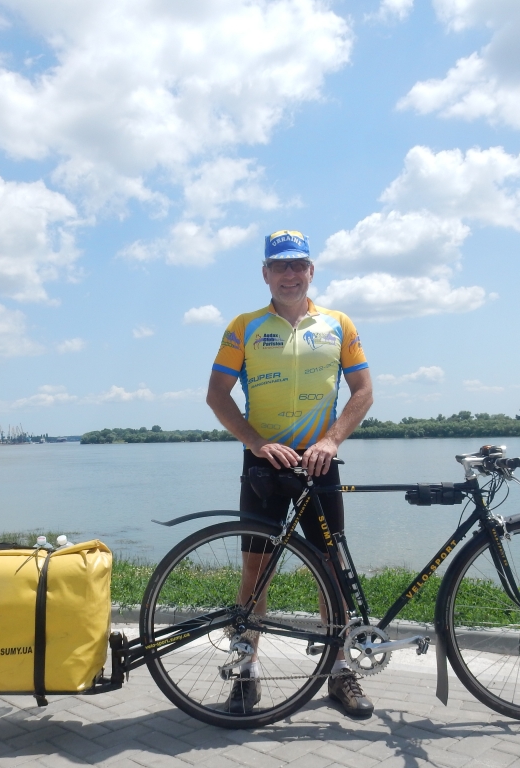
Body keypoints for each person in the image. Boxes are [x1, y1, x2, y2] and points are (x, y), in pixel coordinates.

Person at [206, 229, 375, 718]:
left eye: (298, 264)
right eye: (279, 265)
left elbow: (363, 391)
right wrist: (256, 443)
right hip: (265, 462)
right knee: (255, 570)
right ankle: (245, 672)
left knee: (331, 568)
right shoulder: (244, 327)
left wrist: (331, 440)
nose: (289, 274)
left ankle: (340, 672)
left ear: (311, 271)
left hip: (319, 462)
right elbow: (217, 395)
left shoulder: (338, 324)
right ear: (265, 273)